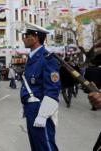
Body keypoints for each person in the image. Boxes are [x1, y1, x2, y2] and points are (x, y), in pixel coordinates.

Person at [21, 22, 61, 151]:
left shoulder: (47, 58)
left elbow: (53, 89)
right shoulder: (32, 57)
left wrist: (43, 115)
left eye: (26, 35)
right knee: (36, 145)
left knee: (45, 145)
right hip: (31, 108)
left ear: (36, 38)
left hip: (40, 108)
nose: (24, 38)